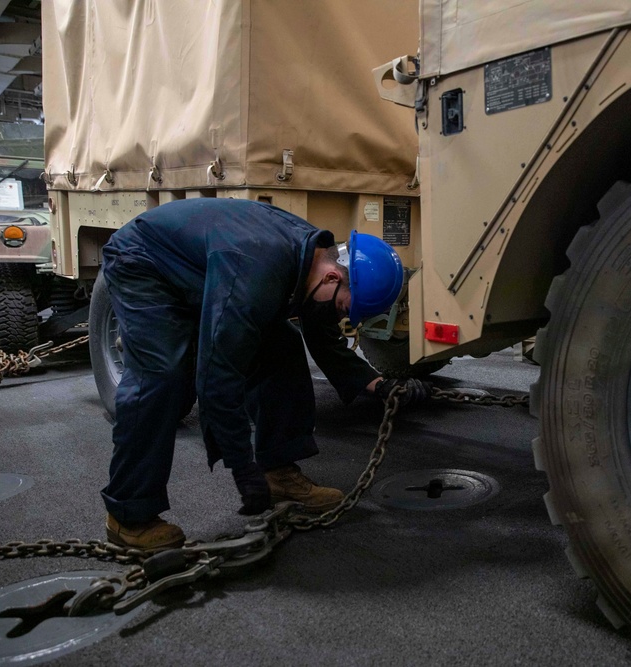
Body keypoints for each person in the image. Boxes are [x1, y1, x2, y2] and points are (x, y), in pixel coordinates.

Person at [99, 198, 431, 550]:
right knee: (161, 374)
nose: (339, 316)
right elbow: (218, 376)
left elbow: (321, 331)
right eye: (341, 308)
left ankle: (278, 472)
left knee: (283, 346)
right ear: (334, 276)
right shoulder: (255, 270)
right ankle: (128, 515)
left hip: (203, 264)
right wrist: (243, 469)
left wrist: (380, 386)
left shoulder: (315, 257)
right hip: (144, 262)